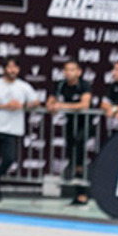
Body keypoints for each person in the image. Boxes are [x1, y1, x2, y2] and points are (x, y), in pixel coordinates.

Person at [0, 58, 39, 203]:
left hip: (12, 130)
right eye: (9, 67)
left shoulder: (24, 86)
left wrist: (22, 105)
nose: (12, 70)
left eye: (15, 67)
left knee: (9, 159)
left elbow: (36, 102)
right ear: (4, 69)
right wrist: (5, 106)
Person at [46, 59, 93, 203]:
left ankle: (82, 191)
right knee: (72, 153)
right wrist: (52, 106)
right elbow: (50, 102)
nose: (69, 73)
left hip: (84, 124)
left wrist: (61, 105)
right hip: (70, 123)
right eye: (66, 70)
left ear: (79, 72)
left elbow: (85, 104)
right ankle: (76, 186)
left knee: (79, 152)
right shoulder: (61, 84)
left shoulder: (84, 85)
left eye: (72, 69)